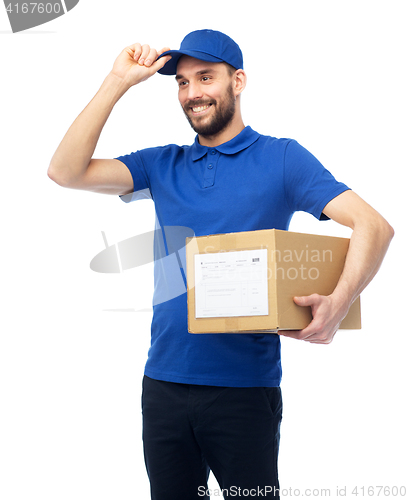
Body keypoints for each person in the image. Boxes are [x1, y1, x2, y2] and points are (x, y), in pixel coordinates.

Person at [48, 29, 394, 499]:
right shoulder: (161, 164)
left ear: (238, 81)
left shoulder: (283, 158)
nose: (192, 94)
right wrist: (117, 80)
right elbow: (65, 171)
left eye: (205, 78)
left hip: (243, 392)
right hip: (163, 386)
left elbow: (374, 226)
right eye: (182, 83)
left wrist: (341, 301)